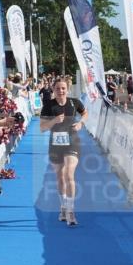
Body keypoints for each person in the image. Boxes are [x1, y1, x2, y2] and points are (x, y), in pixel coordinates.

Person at [40, 78, 87, 226]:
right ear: (53, 90)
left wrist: (80, 123)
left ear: (68, 89)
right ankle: (63, 207)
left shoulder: (74, 102)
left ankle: (71, 211)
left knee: (68, 174)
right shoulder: (48, 105)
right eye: (58, 88)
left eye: (63, 88)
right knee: (60, 177)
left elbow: (85, 113)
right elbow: (42, 127)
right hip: (56, 144)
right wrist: (54, 121)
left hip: (72, 142)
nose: (61, 91)